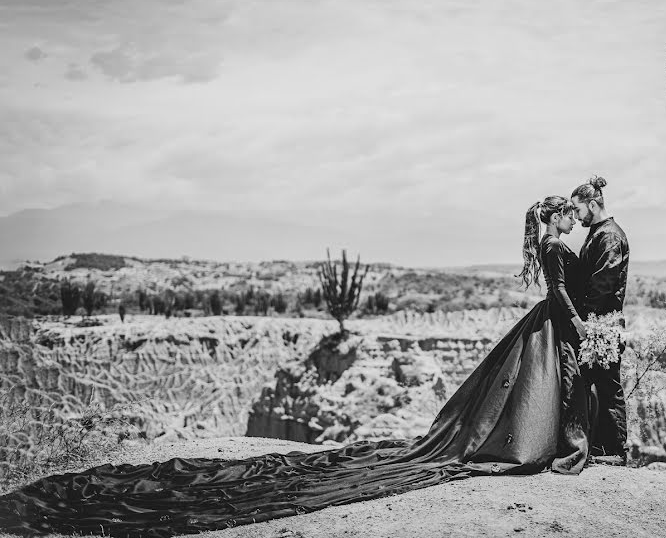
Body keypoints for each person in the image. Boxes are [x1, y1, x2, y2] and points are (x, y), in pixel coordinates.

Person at [0, 197, 590, 537]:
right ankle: (532, 442)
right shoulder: (558, 247)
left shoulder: (545, 246)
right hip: (554, 319)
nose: (569, 223)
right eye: (567, 217)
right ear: (557, 220)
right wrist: (584, 322)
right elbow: (563, 292)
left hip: (543, 319)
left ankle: (526, 439)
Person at [570, 175, 630, 466]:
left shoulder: (609, 235)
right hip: (597, 324)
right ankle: (600, 447)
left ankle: (615, 451)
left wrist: (582, 318)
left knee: (608, 387)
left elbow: (603, 283)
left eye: (579, 209)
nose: (577, 216)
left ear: (593, 205)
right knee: (597, 385)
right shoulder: (599, 233)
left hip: (602, 325)